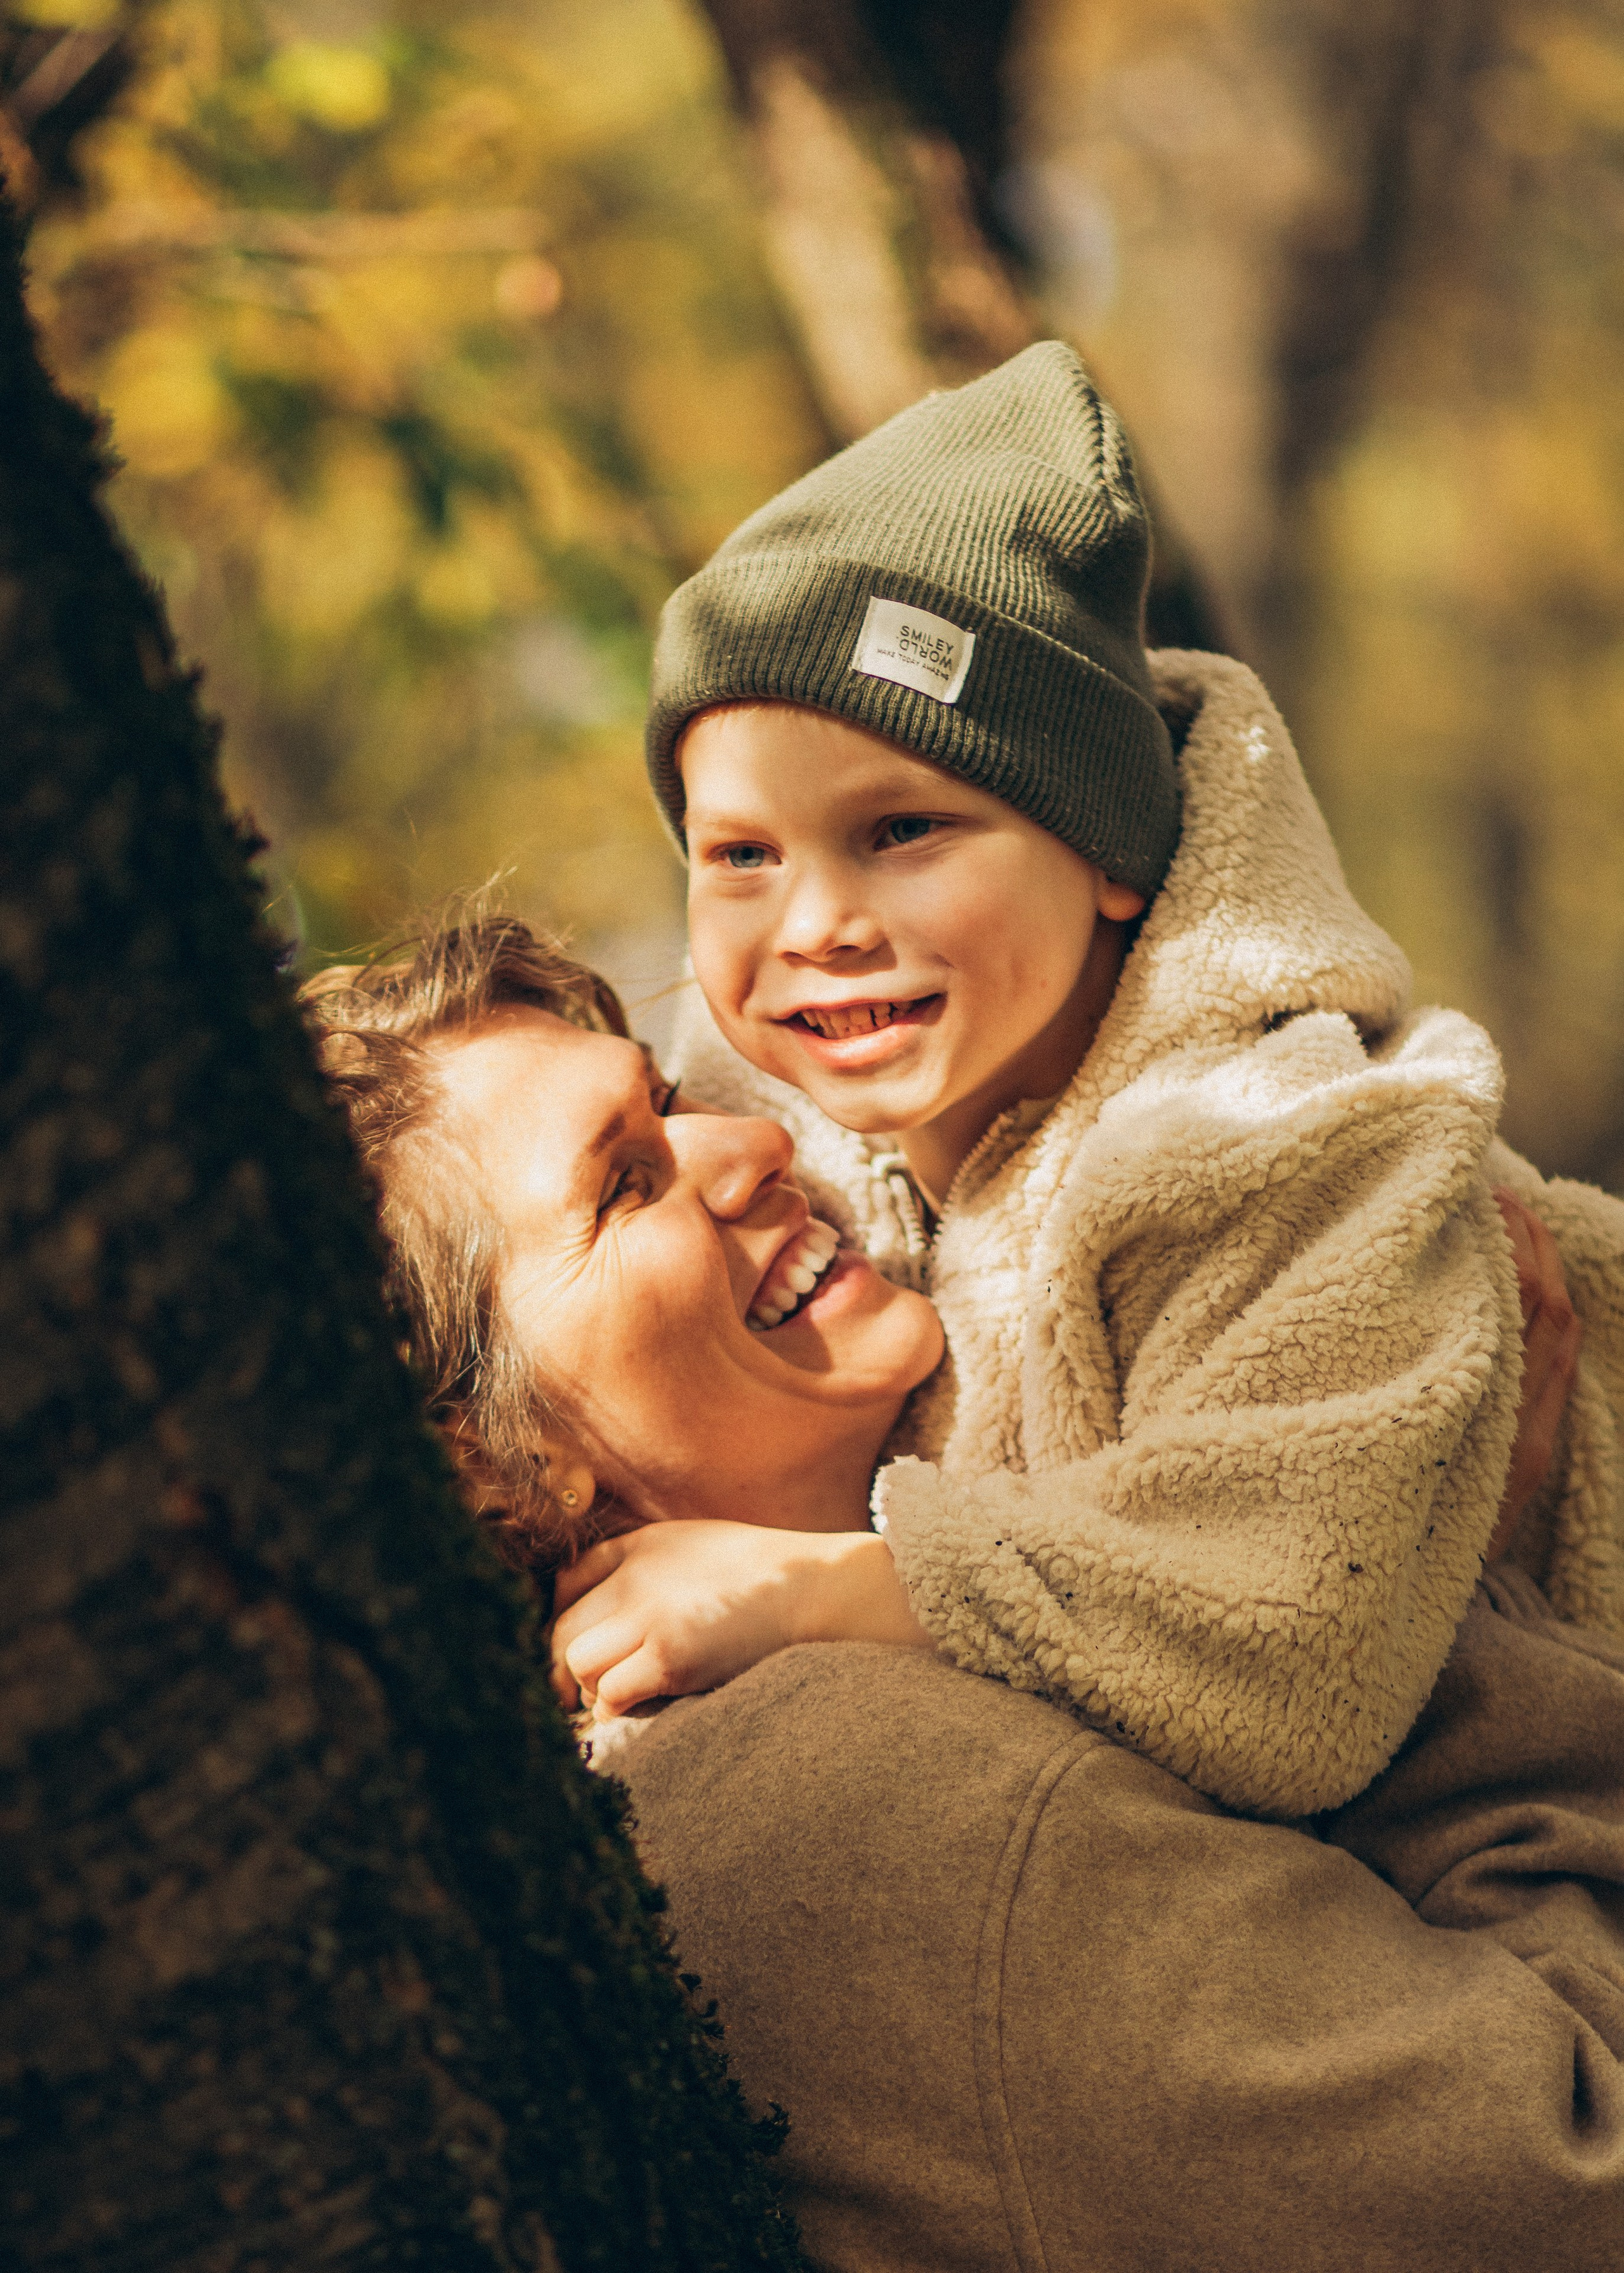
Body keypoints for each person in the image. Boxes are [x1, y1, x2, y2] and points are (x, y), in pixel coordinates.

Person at [298, 921, 1624, 2270]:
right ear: (481, 1459)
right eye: (628, 1184)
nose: (754, 1146)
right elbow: (1569, 2173)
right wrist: (1445, 1588)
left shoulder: (738, 1753)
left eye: (673, 1097)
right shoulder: (865, 1802)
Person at [557, 337, 1624, 1818]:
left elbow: (1279, 1637)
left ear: (1110, 854)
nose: (814, 926)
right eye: (739, 854)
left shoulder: (1298, 1149)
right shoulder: (765, 1173)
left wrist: (809, 1593)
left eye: (902, 830)